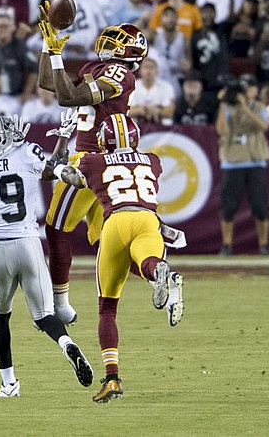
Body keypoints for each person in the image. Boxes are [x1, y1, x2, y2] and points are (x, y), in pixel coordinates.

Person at [54, 113, 185, 403]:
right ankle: (161, 274)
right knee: (146, 262)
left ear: (104, 139)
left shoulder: (94, 161)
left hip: (115, 222)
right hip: (148, 220)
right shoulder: (152, 160)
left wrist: (61, 160)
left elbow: (71, 178)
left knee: (107, 307)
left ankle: (112, 378)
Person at [0, 111, 93, 398]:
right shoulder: (25, 153)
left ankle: (9, 384)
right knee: (45, 315)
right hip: (26, 244)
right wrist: (62, 139)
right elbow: (54, 170)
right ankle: (65, 343)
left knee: (0, 315)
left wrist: (12, 148)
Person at [38, 9, 147, 324]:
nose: (108, 41)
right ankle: (157, 273)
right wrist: (48, 46)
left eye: (117, 40)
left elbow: (69, 99)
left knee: (57, 227)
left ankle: (60, 305)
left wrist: (58, 55)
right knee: (106, 242)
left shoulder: (119, 74)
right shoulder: (98, 67)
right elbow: (50, 83)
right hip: (101, 162)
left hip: (89, 160)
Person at [215, 74, 269, 256]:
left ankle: (263, 245)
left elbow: (264, 126)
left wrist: (244, 107)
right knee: (229, 205)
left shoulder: (259, 107)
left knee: (260, 205)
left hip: (255, 159)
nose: (247, 92)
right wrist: (224, 103)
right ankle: (226, 245)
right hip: (232, 161)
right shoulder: (227, 107)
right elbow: (221, 130)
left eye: (250, 88)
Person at [129, 55, 176, 125]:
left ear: (157, 70)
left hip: (159, 122)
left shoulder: (166, 86)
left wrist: (158, 111)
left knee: (167, 121)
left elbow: (170, 112)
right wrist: (140, 110)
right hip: (138, 121)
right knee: (131, 120)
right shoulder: (132, 86)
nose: (148, 71)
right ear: (140, 71)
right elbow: (126, 111)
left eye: (151, 67)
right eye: (146, 67)